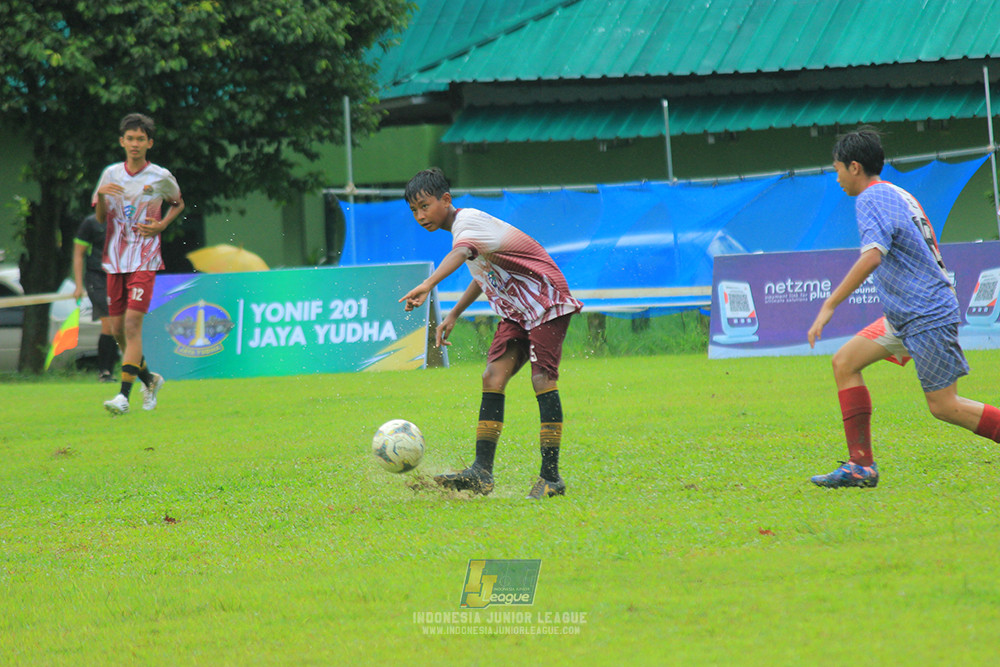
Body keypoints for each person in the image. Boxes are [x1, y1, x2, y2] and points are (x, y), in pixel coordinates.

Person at [807, 126, 1000, 487]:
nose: (836, 180)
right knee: (845, 362)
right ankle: (860, 467)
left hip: (925, 313)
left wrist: (829, 305)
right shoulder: (896, 193)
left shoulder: (869, 199)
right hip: (906, 315)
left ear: (853, 167)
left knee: (945, 406)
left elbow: (872, 257)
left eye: (836, 171)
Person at [399, 168, 583, 499]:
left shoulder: (468, 223)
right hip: (517, 309)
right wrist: (454, 313)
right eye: (414, 210)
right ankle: (481, 473)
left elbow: (461, 255)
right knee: (492, 377)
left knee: (542, 379)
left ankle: (551, 477)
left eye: (425, 206)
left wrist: (428, 283)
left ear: (446, 200)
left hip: (544, 298)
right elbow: (481, 272)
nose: (420, 215)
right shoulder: (465, 234)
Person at [93, 113, 184, 415]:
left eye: (140, 139)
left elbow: (178, 203)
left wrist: (162, 226)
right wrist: (103, 198)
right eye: (130, 138)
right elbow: (100, 218)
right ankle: (150, 379)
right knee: (118, 331)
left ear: (149, 143)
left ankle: (123, 396)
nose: (135, 144)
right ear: (122, 142)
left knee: (132, 326)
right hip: (114, 261)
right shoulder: (110, 175)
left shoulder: (159, 176)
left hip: (144, 258)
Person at [72, 213, 119, 382]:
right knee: (110, 323)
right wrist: (78, 285)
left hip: (116, 276)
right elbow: (78, 254)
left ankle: (109, 372)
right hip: (96, 277)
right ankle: (104, 372)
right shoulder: (90, 222)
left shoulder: (123, 220)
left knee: (116, 326)